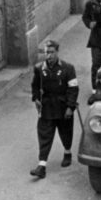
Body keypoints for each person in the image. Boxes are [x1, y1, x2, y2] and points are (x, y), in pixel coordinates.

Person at [30, 40, 79, 179]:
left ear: (57, 52)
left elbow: (73, 88)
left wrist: (70, 106)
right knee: (44, 134)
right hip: (47, 107)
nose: (49, 56)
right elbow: (34, 86)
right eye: (47, 53)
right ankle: (42, 165)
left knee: (65, 132)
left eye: (52, 52)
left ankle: (67, 152)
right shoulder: (39, 68)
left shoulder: (68, 68)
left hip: (63, 107)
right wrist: (36, 98)